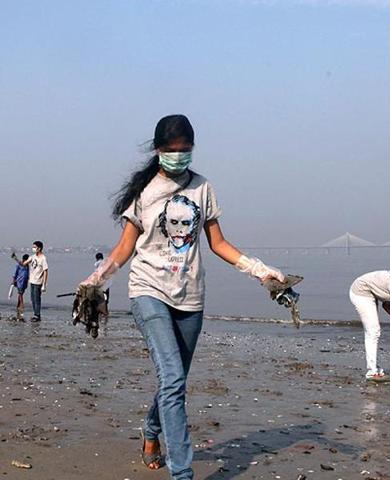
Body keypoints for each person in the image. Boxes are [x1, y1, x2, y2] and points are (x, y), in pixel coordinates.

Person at [77, 114, 284, 480]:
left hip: (190, 298)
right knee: (172, 378)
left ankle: (152, 432)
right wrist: (97, 279)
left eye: (184, 150)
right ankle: (182, 473)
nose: (178, 157)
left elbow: (218, 243)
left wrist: (261, 270)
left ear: (192, 149)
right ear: (158, 151)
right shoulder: (144, 192)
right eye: (171, 151)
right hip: (148, 291)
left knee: (175, 381)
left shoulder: (203, 188)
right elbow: (126, 248)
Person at [13, 241, 49, 322]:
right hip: (32, 281)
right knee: (32, 298)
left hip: (38, 281)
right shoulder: (33, 257)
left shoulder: (43, 258)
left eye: (35, 247)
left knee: (37, 299)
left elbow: (46, 271)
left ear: (39, 248)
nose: (33, 248)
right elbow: (24, 264)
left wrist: (44, 284)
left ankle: (37, 315)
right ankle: (35, 314)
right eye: (33, 247)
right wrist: (16, 259)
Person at [11, 254, 30, 321]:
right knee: (21, 294)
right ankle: (22, 306)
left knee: (20, 294)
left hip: (24, 282)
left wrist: (27, 282)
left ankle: (18, 305)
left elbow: (27, 275)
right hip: (19, 281)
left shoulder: (27, 266)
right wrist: (14, 281)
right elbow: (15, 273)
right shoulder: (20, 265)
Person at [94, 252, 111, 316]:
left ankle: (101, 311)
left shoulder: (97, 264)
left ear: (97, 258)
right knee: (106, 297)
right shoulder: (106, 263)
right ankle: (106, 312)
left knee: (100, 297)